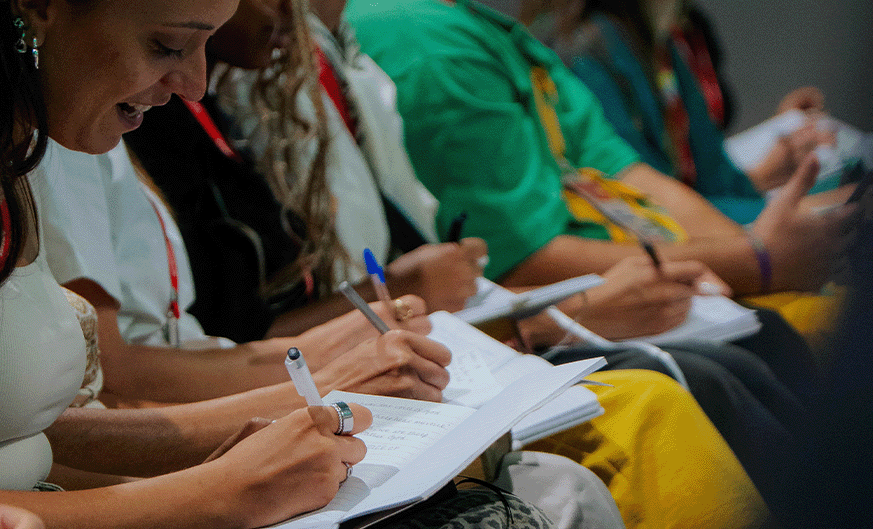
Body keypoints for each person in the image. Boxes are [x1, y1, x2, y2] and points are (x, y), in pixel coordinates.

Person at [0, 1, 560, 527]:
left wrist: (210, 473)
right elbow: (112, 386)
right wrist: (216, 490)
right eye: (167, 45)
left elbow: (34, 451)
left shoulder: (29, 154)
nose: (194, 84)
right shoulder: (65, 141)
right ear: (41, 6)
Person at [345, 0, 851, 300]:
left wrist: (757, 259)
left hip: (651, 269)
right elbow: (518, 260)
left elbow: (626, 172)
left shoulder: (471, 22)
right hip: (584, 304)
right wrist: (755, 263)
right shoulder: (425, 40)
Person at [522, 0, 839, 224]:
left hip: (702, 218)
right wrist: (815, 208)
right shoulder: (584, 54)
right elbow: (648, 209)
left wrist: (761, 181)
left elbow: (713, 175)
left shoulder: (661, 38)